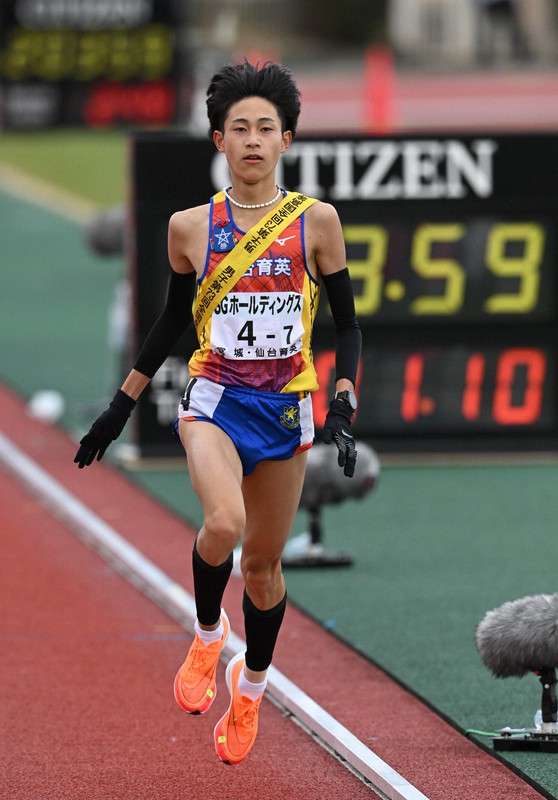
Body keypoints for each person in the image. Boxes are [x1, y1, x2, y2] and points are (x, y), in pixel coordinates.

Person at [74, 61, 361, 765]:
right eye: (240, 129)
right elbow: (171, 321)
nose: (253, 140)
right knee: (224, 524)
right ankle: (207, 636)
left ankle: (250, 686)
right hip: (215, 399)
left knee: (262, 568)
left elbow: (348, 324)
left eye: (266, 128)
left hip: (285, 409)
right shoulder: (190, 228)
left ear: (287, 139)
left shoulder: (318, 222)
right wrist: (120, 406)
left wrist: (344, 398)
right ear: (219, 140)